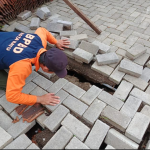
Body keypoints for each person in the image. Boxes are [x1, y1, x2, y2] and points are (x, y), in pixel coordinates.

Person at [0, 27, 70, 106]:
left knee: (10, 59)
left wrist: (56, 41)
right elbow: (12, 96)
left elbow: (42, 30)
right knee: (8, 85)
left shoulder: (39, 40)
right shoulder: (22, 66)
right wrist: (41, 99)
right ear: (45, 68)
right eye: (54, 71)